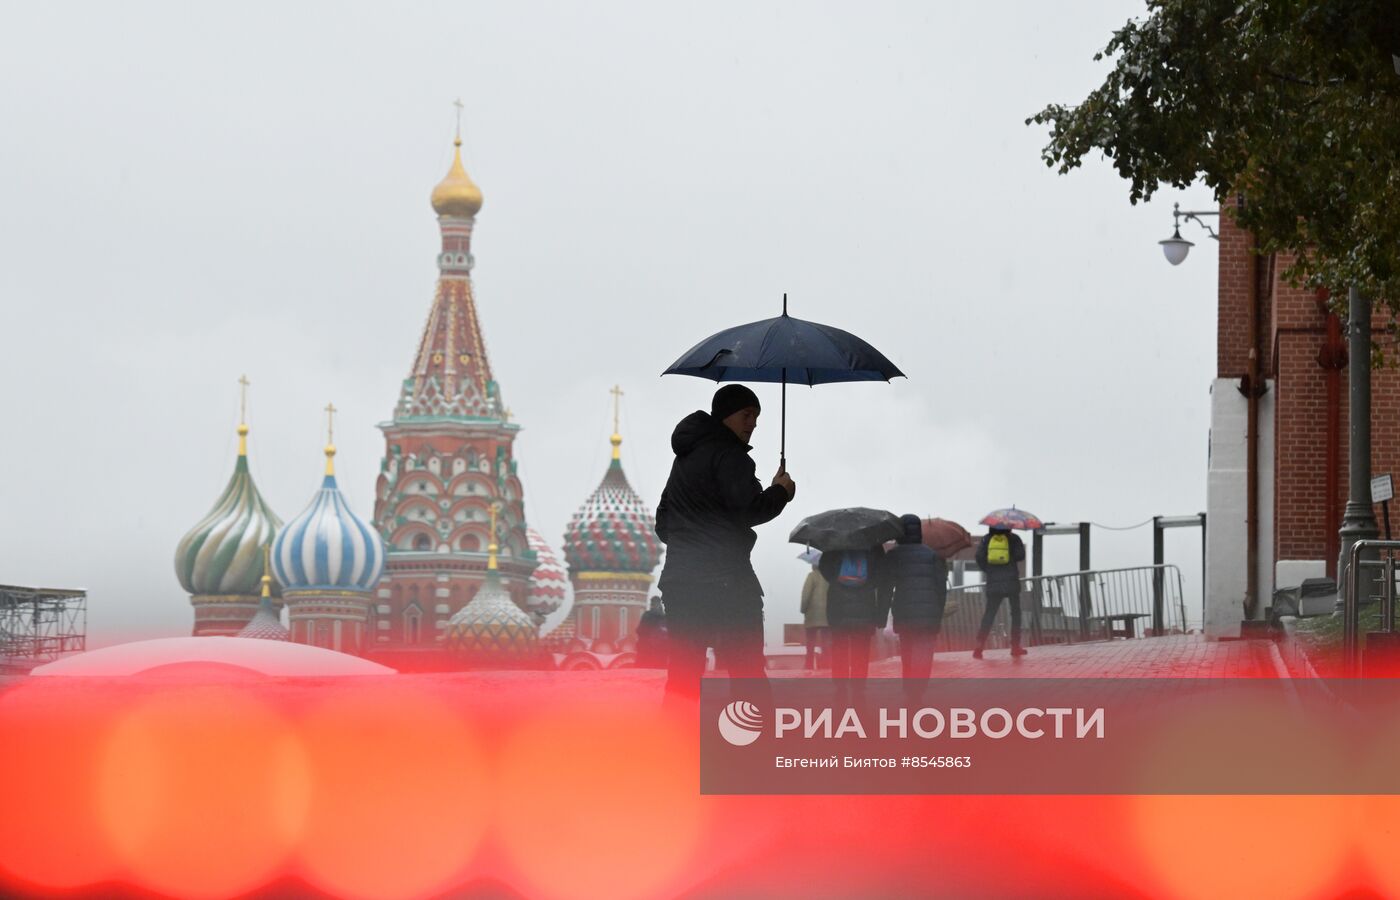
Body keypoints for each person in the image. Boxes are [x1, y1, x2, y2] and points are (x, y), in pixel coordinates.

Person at [654, 384, 796, 701]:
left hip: (680, 584)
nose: (753, 424)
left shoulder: (684, 459)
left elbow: (663, 523)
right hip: (728, 584)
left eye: (756, 417)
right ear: (727, 415)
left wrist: (690, 540)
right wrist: (781, 492)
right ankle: (752, 733)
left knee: (683, 676)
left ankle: (676, 731)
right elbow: (749, 510)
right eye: (747, 415)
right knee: (746, 674)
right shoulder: (731, 456)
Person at [881, 514, 948, 686]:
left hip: (904, 613)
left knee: (907, 653)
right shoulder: (932, 555)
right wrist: (938, 615)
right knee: (924, 655)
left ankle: (910, 690)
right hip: (928, 615)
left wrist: (881, 615)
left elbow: (886, 587)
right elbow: (941, 588)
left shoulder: (894, 555)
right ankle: (919, 690)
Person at [819, 545, 885, 681]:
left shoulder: (834, 543)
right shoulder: (873, 543)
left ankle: (840, 686)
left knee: (839, 648)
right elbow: (881, 571)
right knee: (861, 649)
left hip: (838, 604)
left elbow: (824, 567)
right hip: (865, 603)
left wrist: (836, 581)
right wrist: (869, 584)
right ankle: (858, 687)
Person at [973, 524, 1027, 658]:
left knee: (989, 614)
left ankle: (979, 645)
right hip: (1011, 581)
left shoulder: (987, 539)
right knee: (1015, 613)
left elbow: (979, 556)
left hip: (994, 582)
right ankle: (1015, 646)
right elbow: (1021, 555)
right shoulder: (1013, 538)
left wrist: (989, 569)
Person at [799, 561, 831, 670]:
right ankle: (826, 666)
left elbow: (806, 595)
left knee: (810, 643)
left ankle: (809, 665)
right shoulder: (829, 577)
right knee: (826, 643)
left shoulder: (812, 576)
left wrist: (803, 609)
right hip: (827, 615)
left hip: (812, 615)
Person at [634, 596, 668, 668]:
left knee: (644, 670)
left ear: (651, 604)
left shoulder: (647, 615)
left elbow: (640, 630)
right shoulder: (665, 617)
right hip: (661, 651)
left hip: (646, 650)